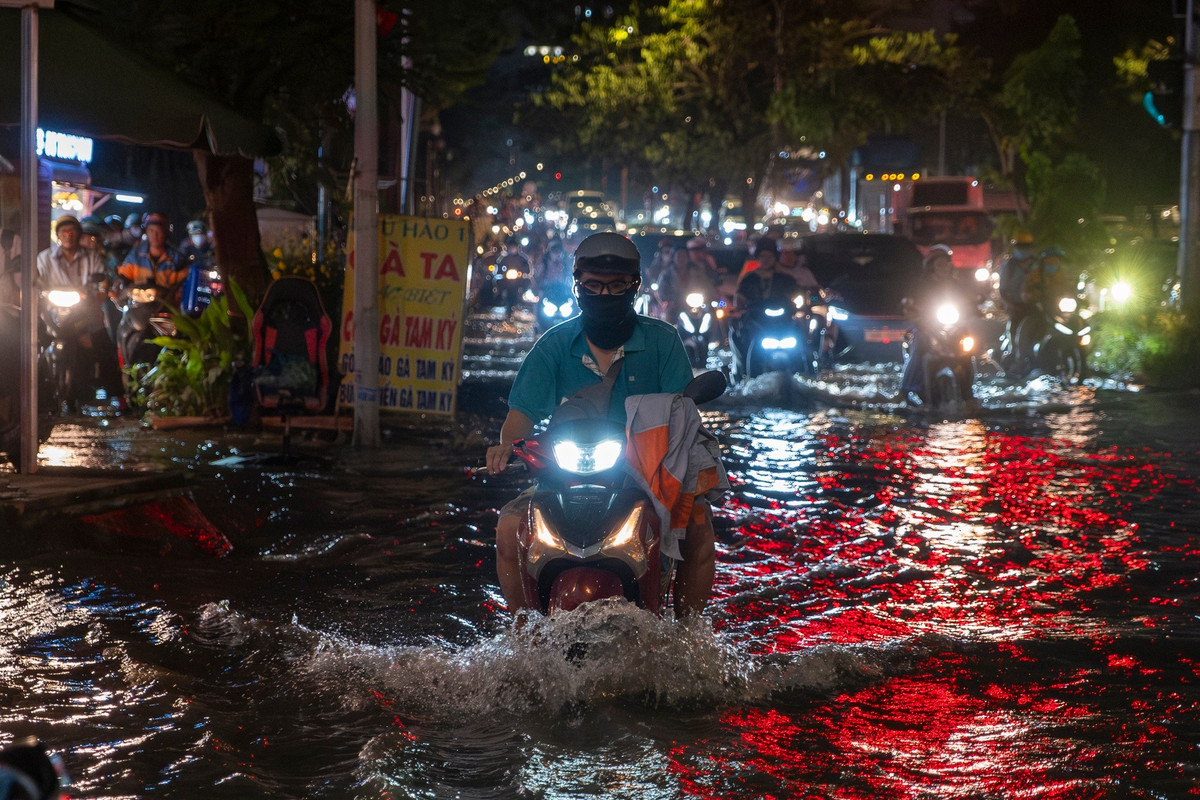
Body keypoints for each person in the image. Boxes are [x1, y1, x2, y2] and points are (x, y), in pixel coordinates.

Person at [485, 231, 716, 617]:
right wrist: (507, 444)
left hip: (646, 475)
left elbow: (682, 411)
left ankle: (688, 632)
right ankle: (524, 633)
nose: (605, 295)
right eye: (594, 285)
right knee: (509, 527)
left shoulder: (663, 341)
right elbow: (521, 414)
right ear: (578, 287)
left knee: (699, 526)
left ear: (634, 287)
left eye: (616, 285)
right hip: (562, 475)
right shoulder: (554, 345)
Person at [897, 244, 977, 403]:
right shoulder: (921, 284)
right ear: (932, 266)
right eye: (940, 264)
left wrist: (973, 304)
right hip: (927, 326)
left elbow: (968, 300)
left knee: (968, 348)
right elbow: (909, 300)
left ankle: (969, 394)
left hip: (953, 327)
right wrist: (910, 304)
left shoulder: (956, 284)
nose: (944, 267)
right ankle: (904, 389)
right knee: (919, 346)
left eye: (947, 263)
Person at [115, 212, 189, 303]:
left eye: (159, 231)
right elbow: (124, 275)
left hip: (166, 308)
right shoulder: (135, 255)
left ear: (166, 232)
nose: (154, 235)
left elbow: (184, 284)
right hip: (138, 306)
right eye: (151, 230)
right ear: (146, 231)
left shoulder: (177, 259)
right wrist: (119, 282)